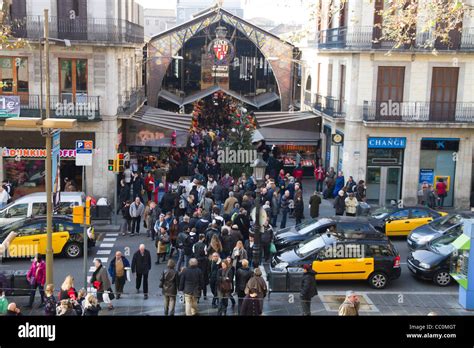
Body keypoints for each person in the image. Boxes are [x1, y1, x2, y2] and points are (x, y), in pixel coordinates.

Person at [193, 234, 209, 299]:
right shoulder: (204, 245)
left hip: (197, 262)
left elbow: (193, 252)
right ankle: (205, 295)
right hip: (203, 263)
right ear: (203, 238)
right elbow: (205, 253)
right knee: (204, 280)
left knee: (197, 281)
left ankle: (198, 297)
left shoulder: (195, 245)